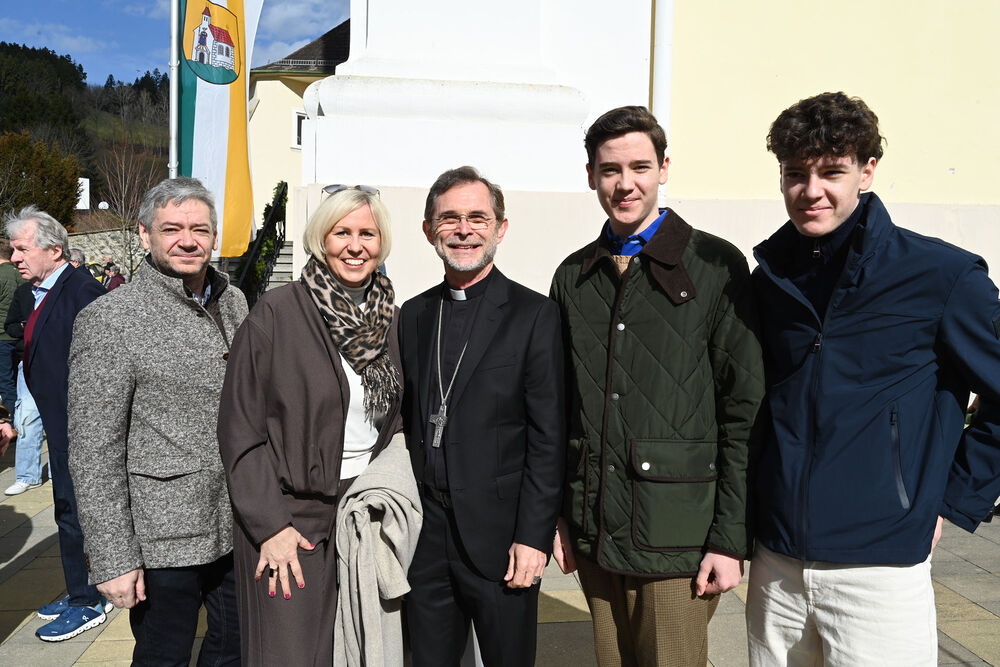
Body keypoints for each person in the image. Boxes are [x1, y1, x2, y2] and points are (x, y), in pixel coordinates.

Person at [747, 91, 1000, 666]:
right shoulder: (768, 281)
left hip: (879, 572)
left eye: (831, 172)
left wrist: (953, 498)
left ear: (867, 171)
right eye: (795, 173)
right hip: (776, 565)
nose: (811, 190)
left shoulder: (942, 275)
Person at [549, 106, 764, 667]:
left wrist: (730, 539)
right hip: (596, 528)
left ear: (664, 168)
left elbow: (743, 412)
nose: (625, 184)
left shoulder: (715, 265)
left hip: (679, 536)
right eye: (610, 169)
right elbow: (560, 408)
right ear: (591, 176)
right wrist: (559, 516)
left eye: (640, 167)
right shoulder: (573, 276)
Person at [218, 185, 416, 666]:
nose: (355, 246)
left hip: (361, 508)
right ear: (320, 239)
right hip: (290, 513)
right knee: (288, 652)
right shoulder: (277, 314)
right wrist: (271, 526)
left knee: (357, 648)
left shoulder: (391, 319)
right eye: (341, 232)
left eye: (367, 234)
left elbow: (398, 419)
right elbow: (241, 431)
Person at [67, 178, 248, 665]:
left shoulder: (234, 301)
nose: (188, 241)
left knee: (235, 649)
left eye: (199, 229)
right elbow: (93, 451)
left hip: (236, 524)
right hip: (161, 539)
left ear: (214, 236)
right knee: (163, 657)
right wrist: (113, 558)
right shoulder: (111, 319)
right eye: (172, 229)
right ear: (145, 235)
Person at [400, 166, 565, 666]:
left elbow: (548, 437)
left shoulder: (534, 315)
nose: (464, 230)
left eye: (477, 218)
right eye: (449, 218)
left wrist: (533, 537)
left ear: (500, 228)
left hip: (502, 538)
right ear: (429, 230)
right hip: (427, 537)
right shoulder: (414, 314)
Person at [5, 205, 109, 641]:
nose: (14, 257)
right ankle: (78, 590)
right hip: (60, 423)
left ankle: (89, 601)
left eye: (21, 249)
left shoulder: (82, 291)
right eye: (12, 249)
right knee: (66, 511)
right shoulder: (41, 290)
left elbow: (103, 368)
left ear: (54, 249)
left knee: (78, 512)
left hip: (80, 428)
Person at [3, 281, 44, 496]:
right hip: (28, 361)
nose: (20, 265)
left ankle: (60, 472)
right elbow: (9, 326)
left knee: (61, 420)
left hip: (60, 363)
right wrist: (23, 326)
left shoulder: (69, 287)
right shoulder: (23, 291)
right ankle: (27, 476)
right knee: (26, 418)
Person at [0, 237, 24, 420]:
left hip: (2, 335)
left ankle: (9, 420)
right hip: (21, 335)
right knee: (19, 381)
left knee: (5, 381)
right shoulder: (22, 274)